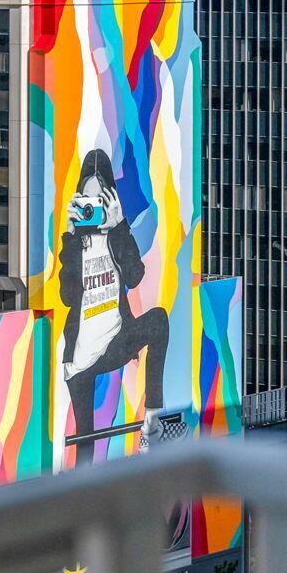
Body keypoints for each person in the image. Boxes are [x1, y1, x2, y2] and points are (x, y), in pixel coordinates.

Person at [58, 148, 169, 464]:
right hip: (81, 359)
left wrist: (119, 225)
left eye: (100, 199)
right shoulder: (75, 243)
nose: (92, 207)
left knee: (159, 320)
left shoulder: (116, 236)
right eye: (87, 199)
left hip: (116, 341)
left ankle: (151, 422)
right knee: (85, 445)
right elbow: (67, 297)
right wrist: (72, 237)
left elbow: (135, 276)